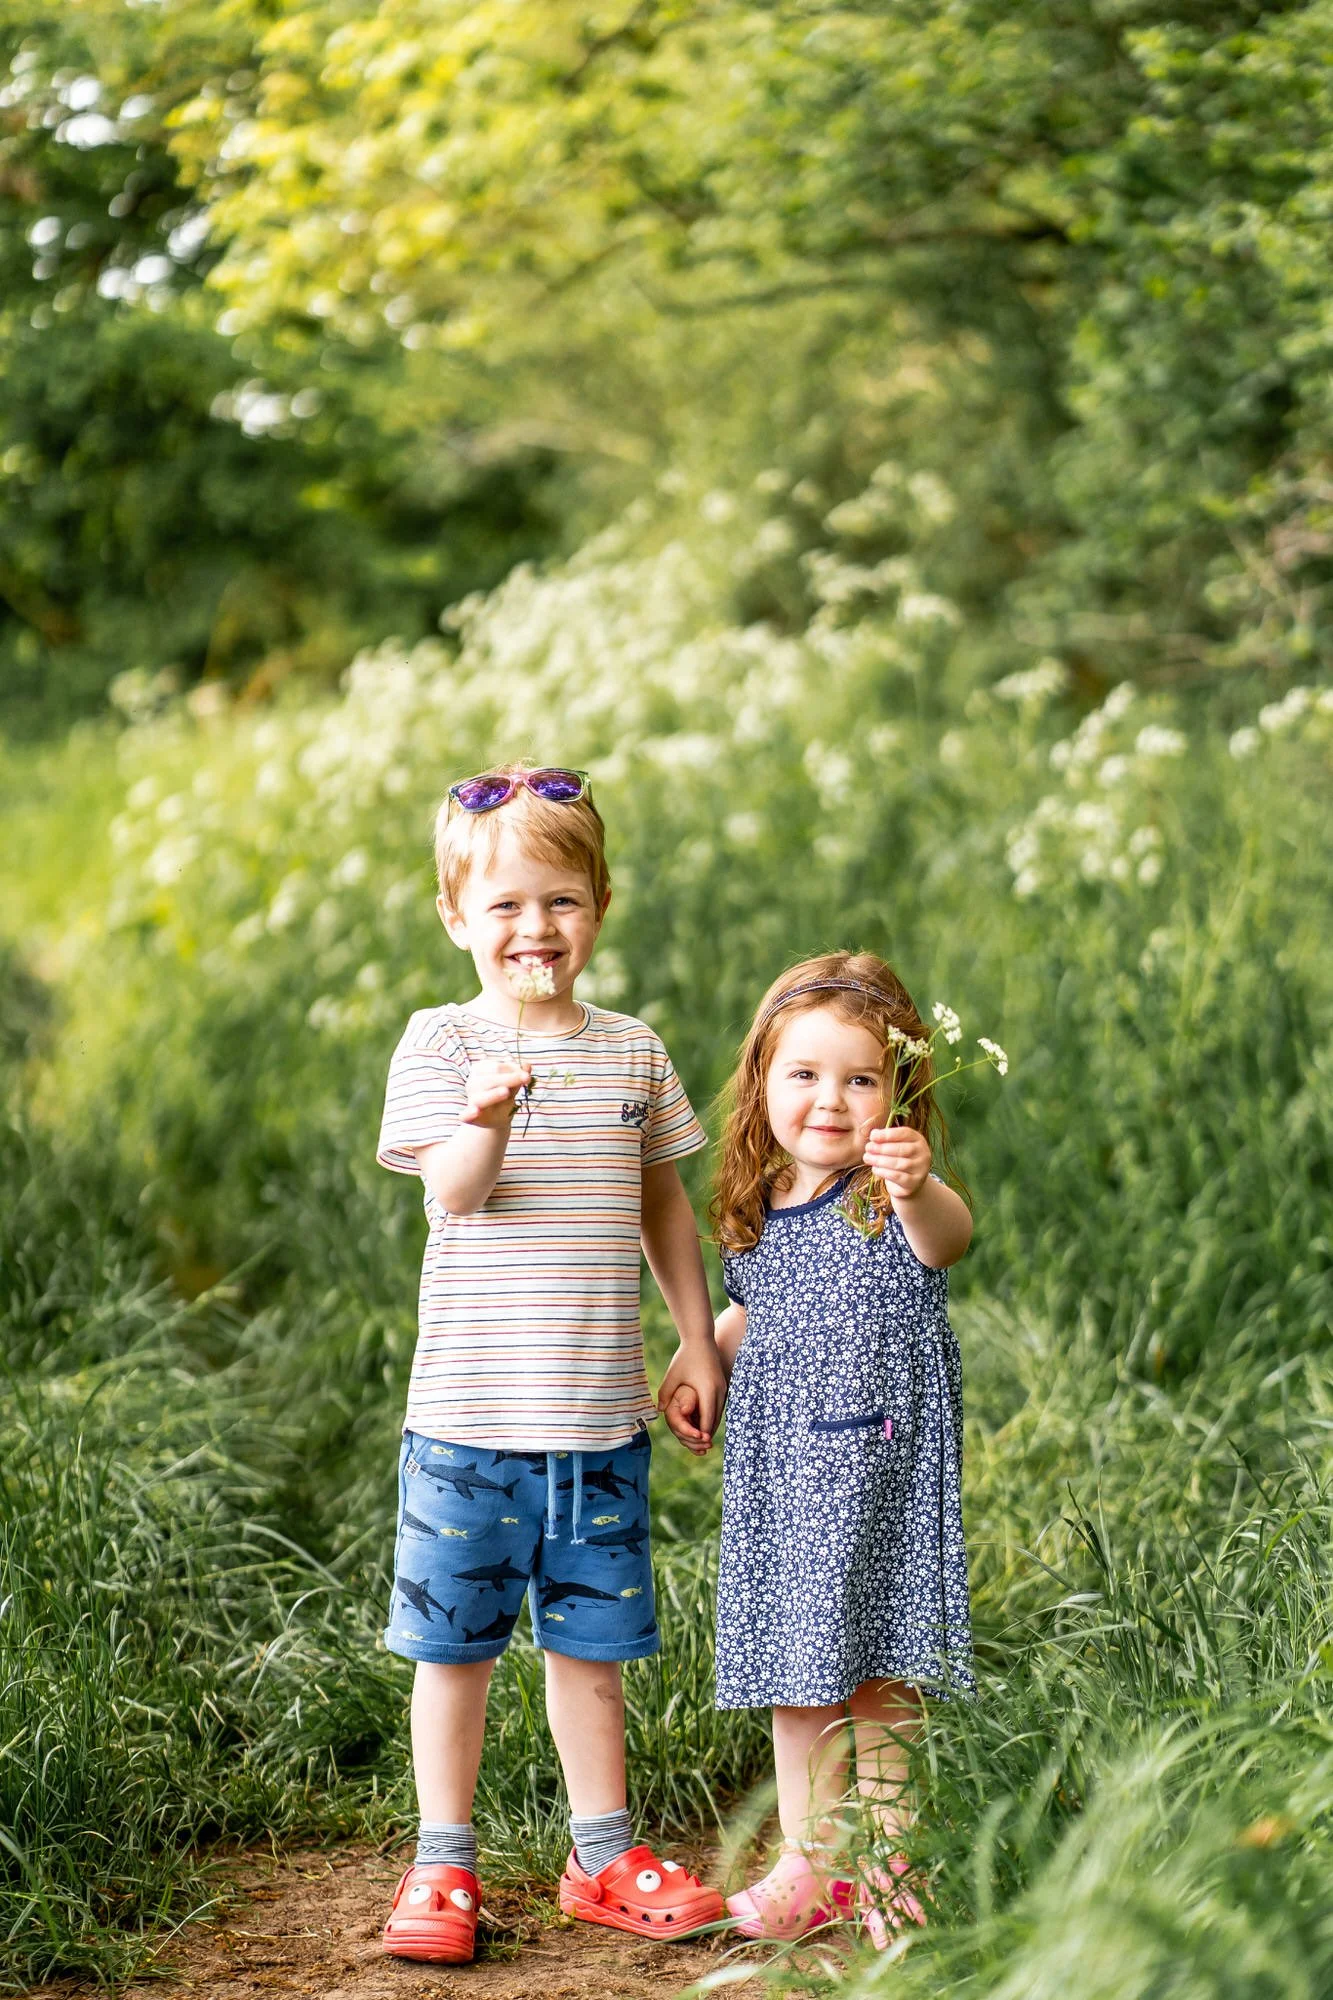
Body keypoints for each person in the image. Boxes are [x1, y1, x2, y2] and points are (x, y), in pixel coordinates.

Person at [375, 762, 727, 1964]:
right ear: (456, 917)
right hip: (468, 1418)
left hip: (597, 1418)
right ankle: (443, 1861)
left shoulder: (631, 1050)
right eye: (508, 906)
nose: (536, 929)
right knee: (453, 1648)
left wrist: (692, 1333)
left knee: (592, 1650)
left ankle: (600, 1850)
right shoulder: (440, 1042)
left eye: (562, 903)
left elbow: (662, 1198)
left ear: (600, 907)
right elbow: (455, 1197)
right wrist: (485, 1112)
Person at [666, 949, 975, 1948]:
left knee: (879, 1677)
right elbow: (760, 1314)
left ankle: (890, 1858)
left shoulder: (893, 1196)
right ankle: (812, 1863)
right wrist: (699, 1358)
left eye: (859, 1077)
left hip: (881, 1476)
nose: (830, 1099)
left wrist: (921, 1184)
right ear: (763, 1081)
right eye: (804, 1073)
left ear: (898, 1092)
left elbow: (949, 1240)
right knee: (796, 1685)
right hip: (786, 1488)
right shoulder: (757, 1214)